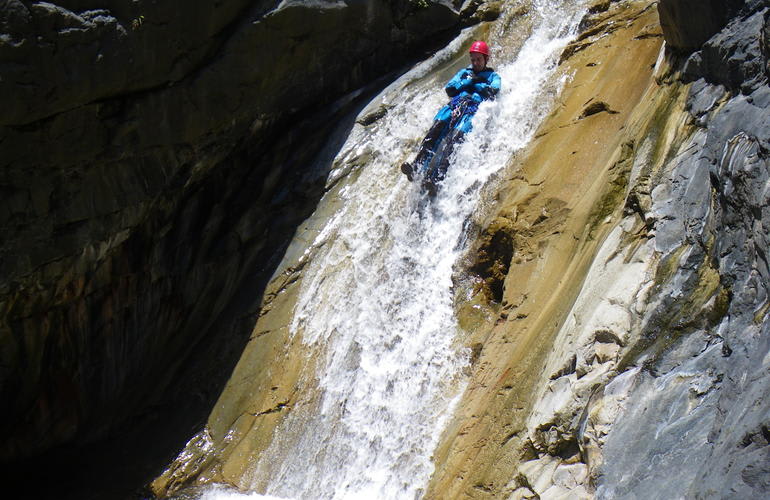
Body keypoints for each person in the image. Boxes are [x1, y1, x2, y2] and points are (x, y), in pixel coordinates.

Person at [401, 40, 501, 194]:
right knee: (434, 132)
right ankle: (417, 167)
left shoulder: (493, 76)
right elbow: (450, 89)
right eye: (473, 59)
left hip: (471, 112)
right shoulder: (464, 73)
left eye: (478, 59)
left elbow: (493, 91)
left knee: (454, 141)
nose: (475, 63)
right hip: (454, 107)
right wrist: (469, 81)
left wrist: (478, 85)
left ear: (486, 59)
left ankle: (436, 180)